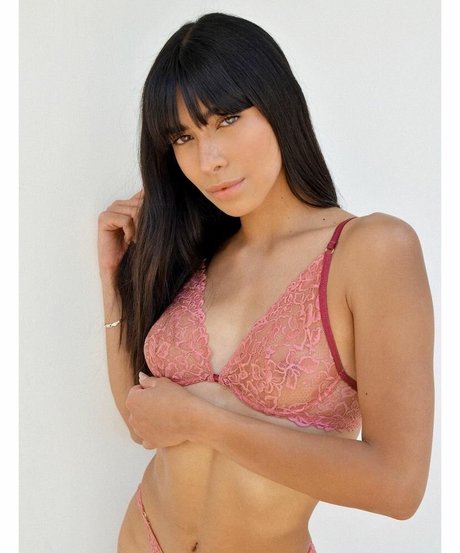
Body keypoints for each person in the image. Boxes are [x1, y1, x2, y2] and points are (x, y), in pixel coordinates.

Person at [97, 12, 434, 553]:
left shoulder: (370, 250)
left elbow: (397, 486)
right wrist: (115, 282)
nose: (209, 160)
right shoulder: (200, 254)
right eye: (183, 136)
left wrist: (204, 421)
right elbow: (144, 423)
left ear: (278, 104)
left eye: (227, 119)